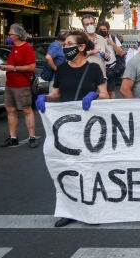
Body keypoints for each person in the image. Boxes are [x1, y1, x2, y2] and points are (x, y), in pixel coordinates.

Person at [34, 30, 108, 228]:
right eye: (65, 44)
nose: (65, 48)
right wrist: (46, 98)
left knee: (89, 169)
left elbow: (105, 94)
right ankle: (69, 210)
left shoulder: (93, 69)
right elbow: (57, 93)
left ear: (81, 47)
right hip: (66, 128)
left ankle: (92, 210)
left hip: (89, 128)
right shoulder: (62, 70)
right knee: (67, 169)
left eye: (68, 44)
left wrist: (93, 96)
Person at [0, 24, 37, 148]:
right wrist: (6, 67)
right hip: (10, 84)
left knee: (26, 109)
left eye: (10, 34)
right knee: (10, 110)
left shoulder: (27, 48)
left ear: (17, 35)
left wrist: (13, 68)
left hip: (21, 84)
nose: (8, 36)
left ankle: (32, 137)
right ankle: (13, 137)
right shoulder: (13, 48)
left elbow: (31, 67)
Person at [97, 22, 125, 99]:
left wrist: (113, 44)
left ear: (108, 30)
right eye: (101, 29)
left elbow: (121, 53)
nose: (102, 31)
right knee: (100, 93)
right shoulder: (95, 39)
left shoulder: (113, 38)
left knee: (111, 92)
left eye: (104, 29)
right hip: (99, 69)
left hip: (110, 69)